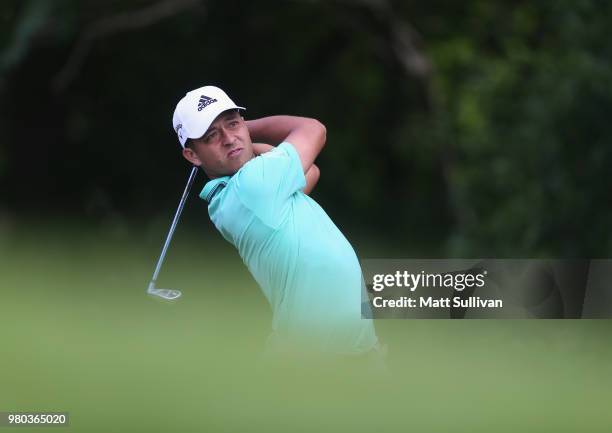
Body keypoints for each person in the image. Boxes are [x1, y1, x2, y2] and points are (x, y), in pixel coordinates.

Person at [172, 85, 381, 358]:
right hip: (320, 359)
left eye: (232, 123)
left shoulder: (235, 196)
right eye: (211, 135)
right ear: (192, 155)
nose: (227, 138)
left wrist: (239, 135)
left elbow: (310, 172)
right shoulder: (253, 186)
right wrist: (246, 130)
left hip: (342, 352)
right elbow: (314, 129)